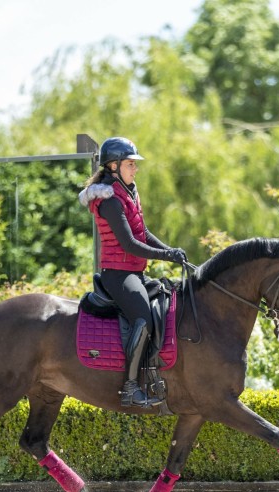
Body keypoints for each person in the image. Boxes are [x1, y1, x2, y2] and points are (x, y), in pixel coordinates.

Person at [78, 137, 187, 408]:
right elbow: (128, 244)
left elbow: (144, 234)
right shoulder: (111, 200)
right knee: (143, 317)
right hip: (118, 274)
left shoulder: (129, 192)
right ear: (113, 166)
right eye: (130, 164)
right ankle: (129, 387)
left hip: (133, 272)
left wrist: (171, 251)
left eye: (134, 164)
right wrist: (165, 255)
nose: (135, 169)